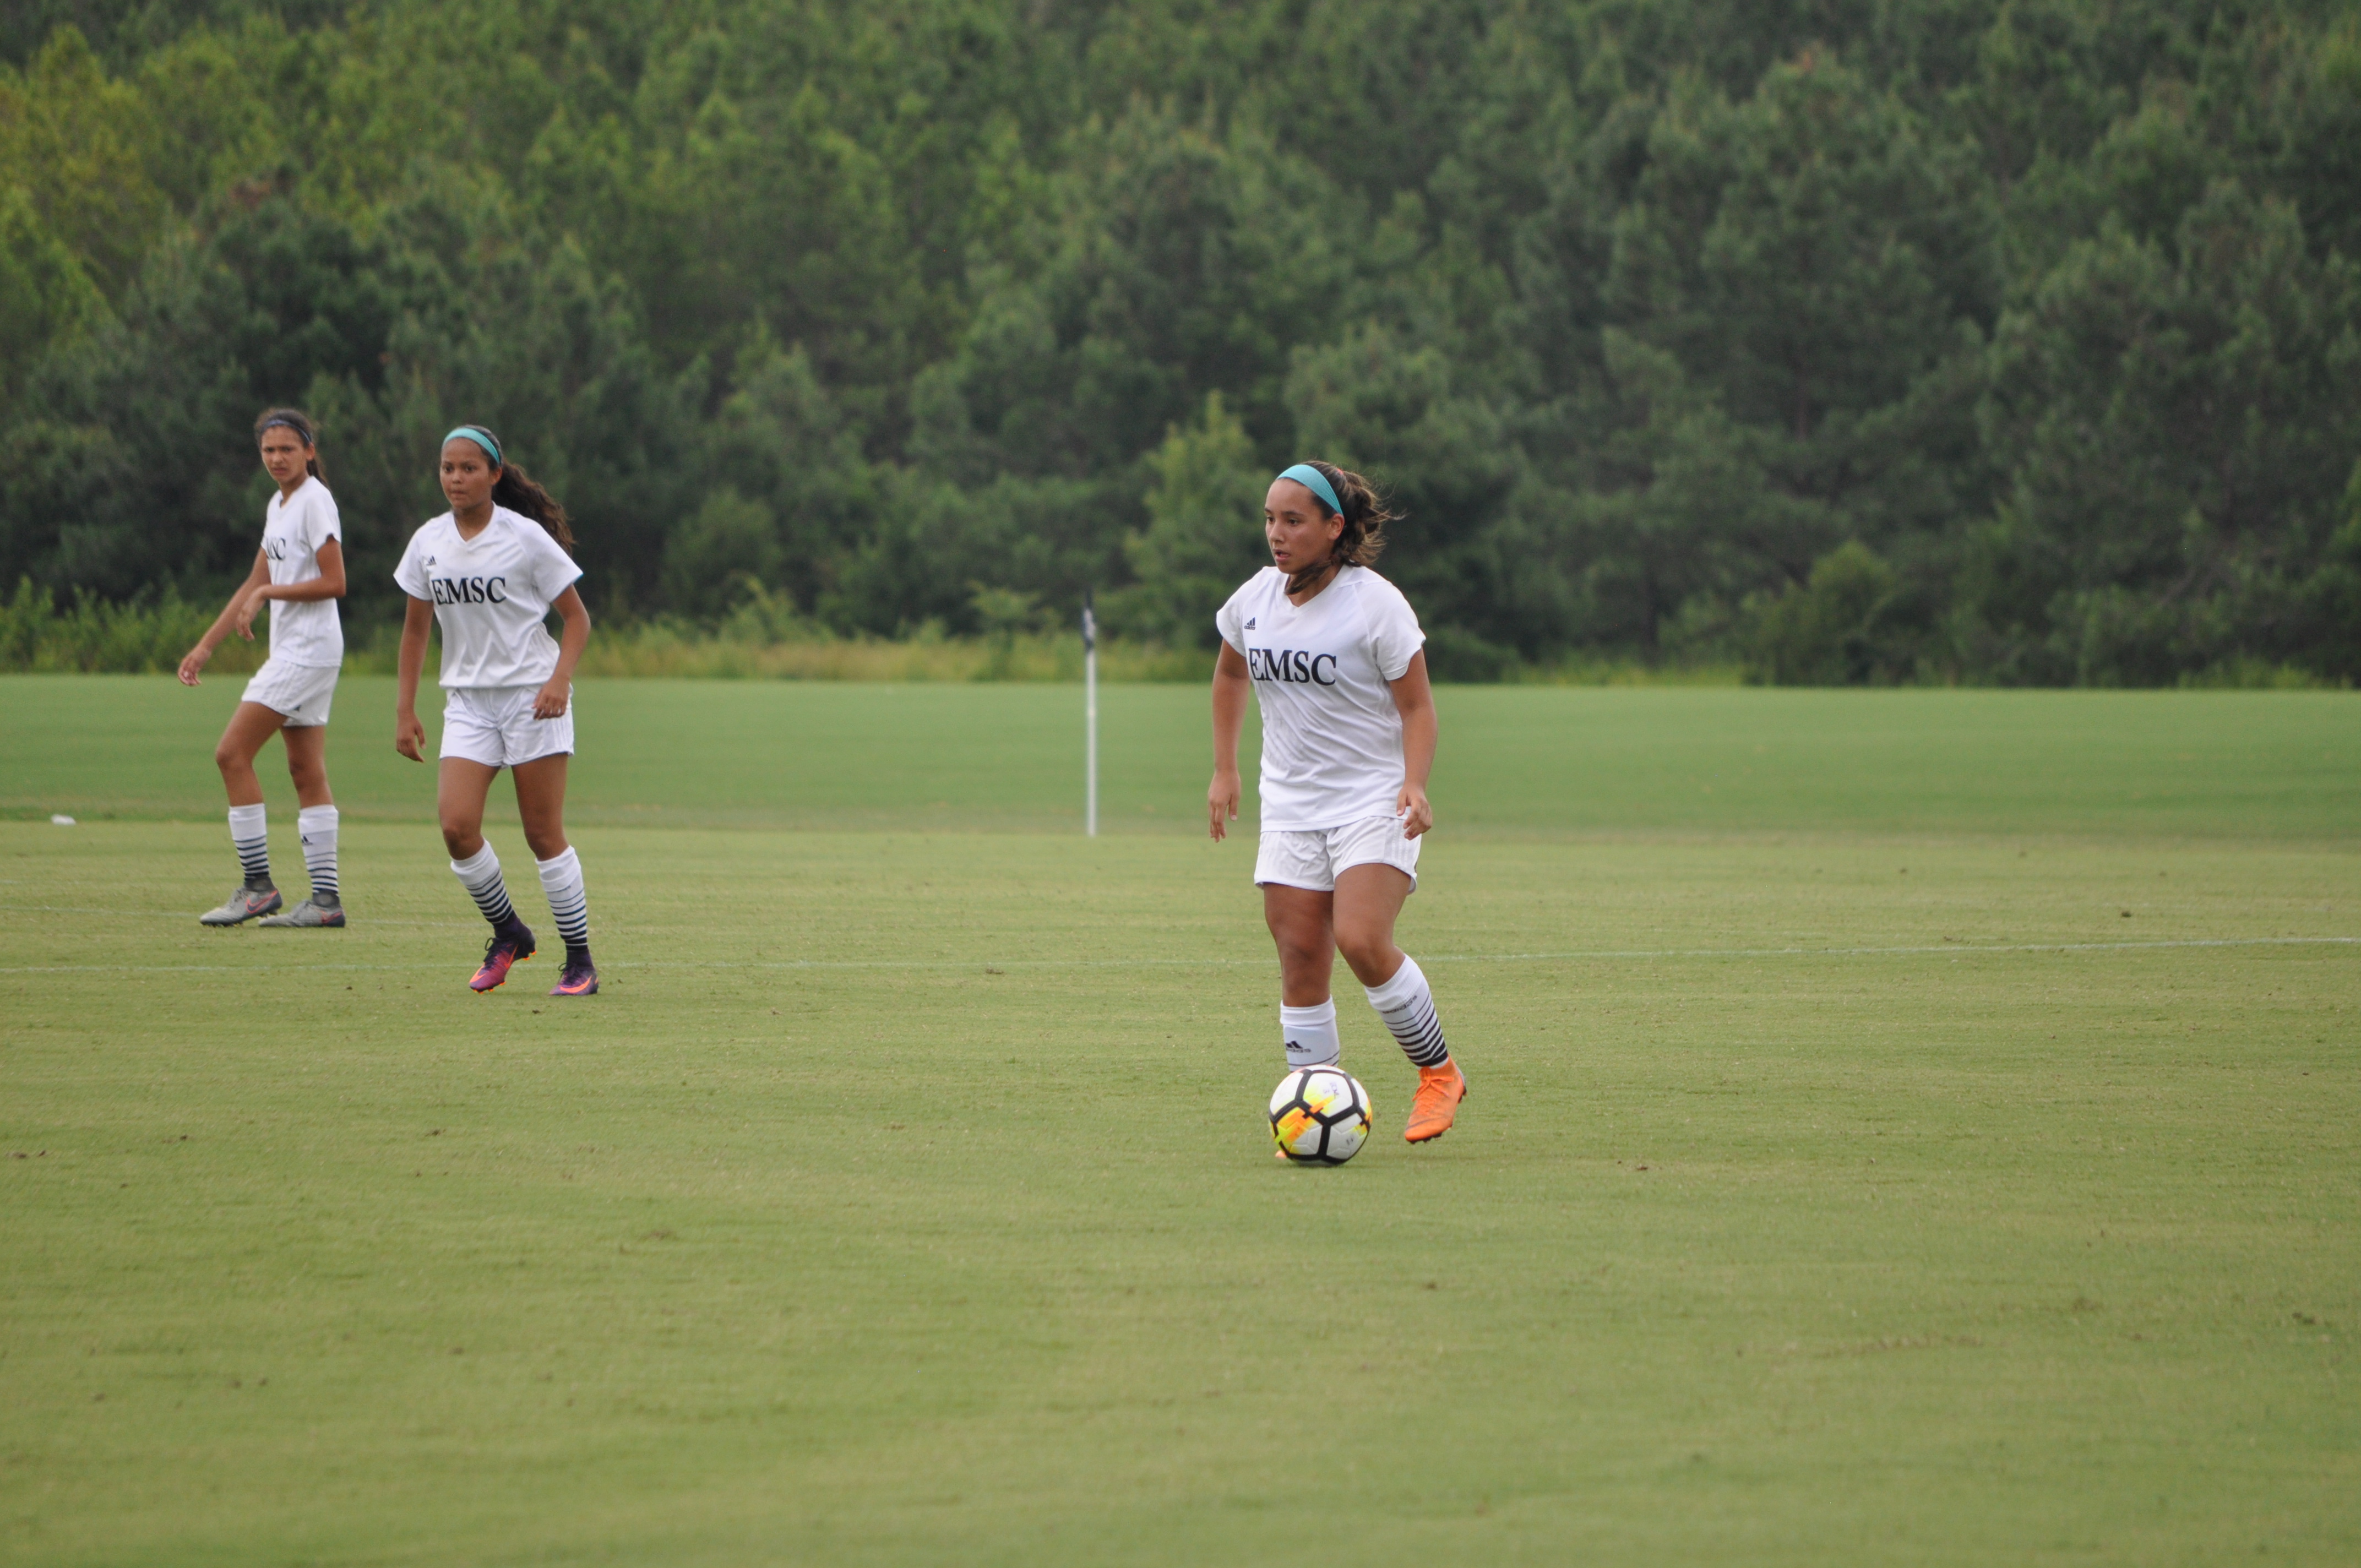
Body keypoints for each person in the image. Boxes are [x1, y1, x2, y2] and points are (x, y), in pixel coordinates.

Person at [1208, 460, 1467, 1145]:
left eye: (1293, 520)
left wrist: (1414, 783)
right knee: (1299, 955)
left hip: (1370, 804)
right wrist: (1224, 769)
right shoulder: (1255, 599)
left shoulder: (1374, 604)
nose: (1276, 533)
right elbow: (1231, 670)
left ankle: (1438, 1073)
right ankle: (1313, 1106)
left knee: (1359, 938)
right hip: (1291, 808)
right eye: (1269, 518)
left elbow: (1417, 706)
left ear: (1335, 526)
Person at [392, 424, 599, 996]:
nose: (455, 478)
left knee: (541, 834)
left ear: (494, 475)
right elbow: (415, 633)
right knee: (457, 828)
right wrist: (405, 710)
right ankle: (508, 932)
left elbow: (577, 619)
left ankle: (580, 960)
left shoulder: (525, 536)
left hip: (533, 698)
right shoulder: (428, 541)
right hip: (468, 703)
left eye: (468, 468)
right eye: (447, 468)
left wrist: (560, 679)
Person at [177, 408, 349, 928]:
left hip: (307, 652)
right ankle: (325, 903)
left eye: (287, 449)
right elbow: (255, 579)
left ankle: (257, 887)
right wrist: (206, 645)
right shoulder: (279, 504)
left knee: (232, 754)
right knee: (305, 771)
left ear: (309, 452)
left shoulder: (315, 501)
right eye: (269, 450)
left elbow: (336, 580)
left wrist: (271, 592)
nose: (277, 458)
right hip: (303, 651)